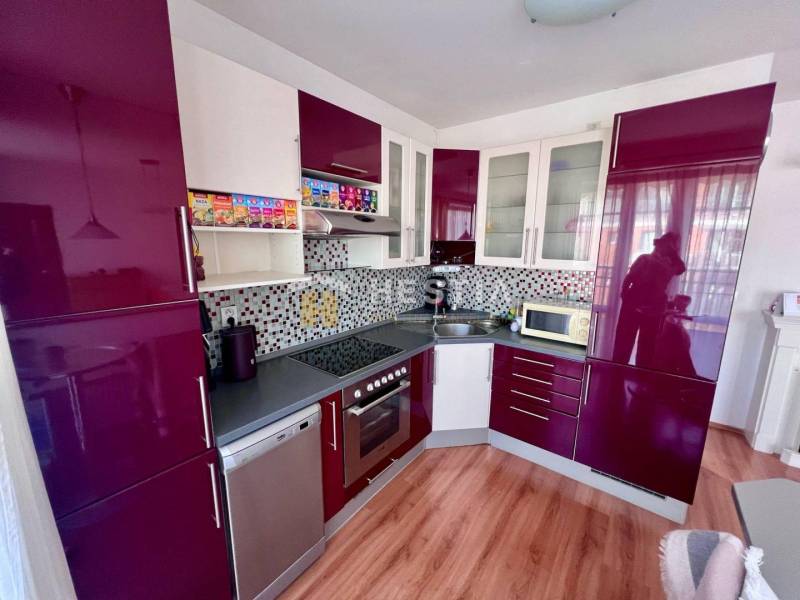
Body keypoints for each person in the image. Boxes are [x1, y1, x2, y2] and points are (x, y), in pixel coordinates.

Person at [612, 232, 687, 368]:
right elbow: (629, 278)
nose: (663, 248)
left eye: (670, 246)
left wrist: (672, 252)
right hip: (633, 304)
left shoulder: (670, 265)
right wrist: (625, 296)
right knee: (624, 341)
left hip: (654, 308)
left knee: (647, 345)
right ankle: (617, 373)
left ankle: (641, 379)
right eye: (662, 244)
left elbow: (682, 268)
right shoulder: (644, 259)